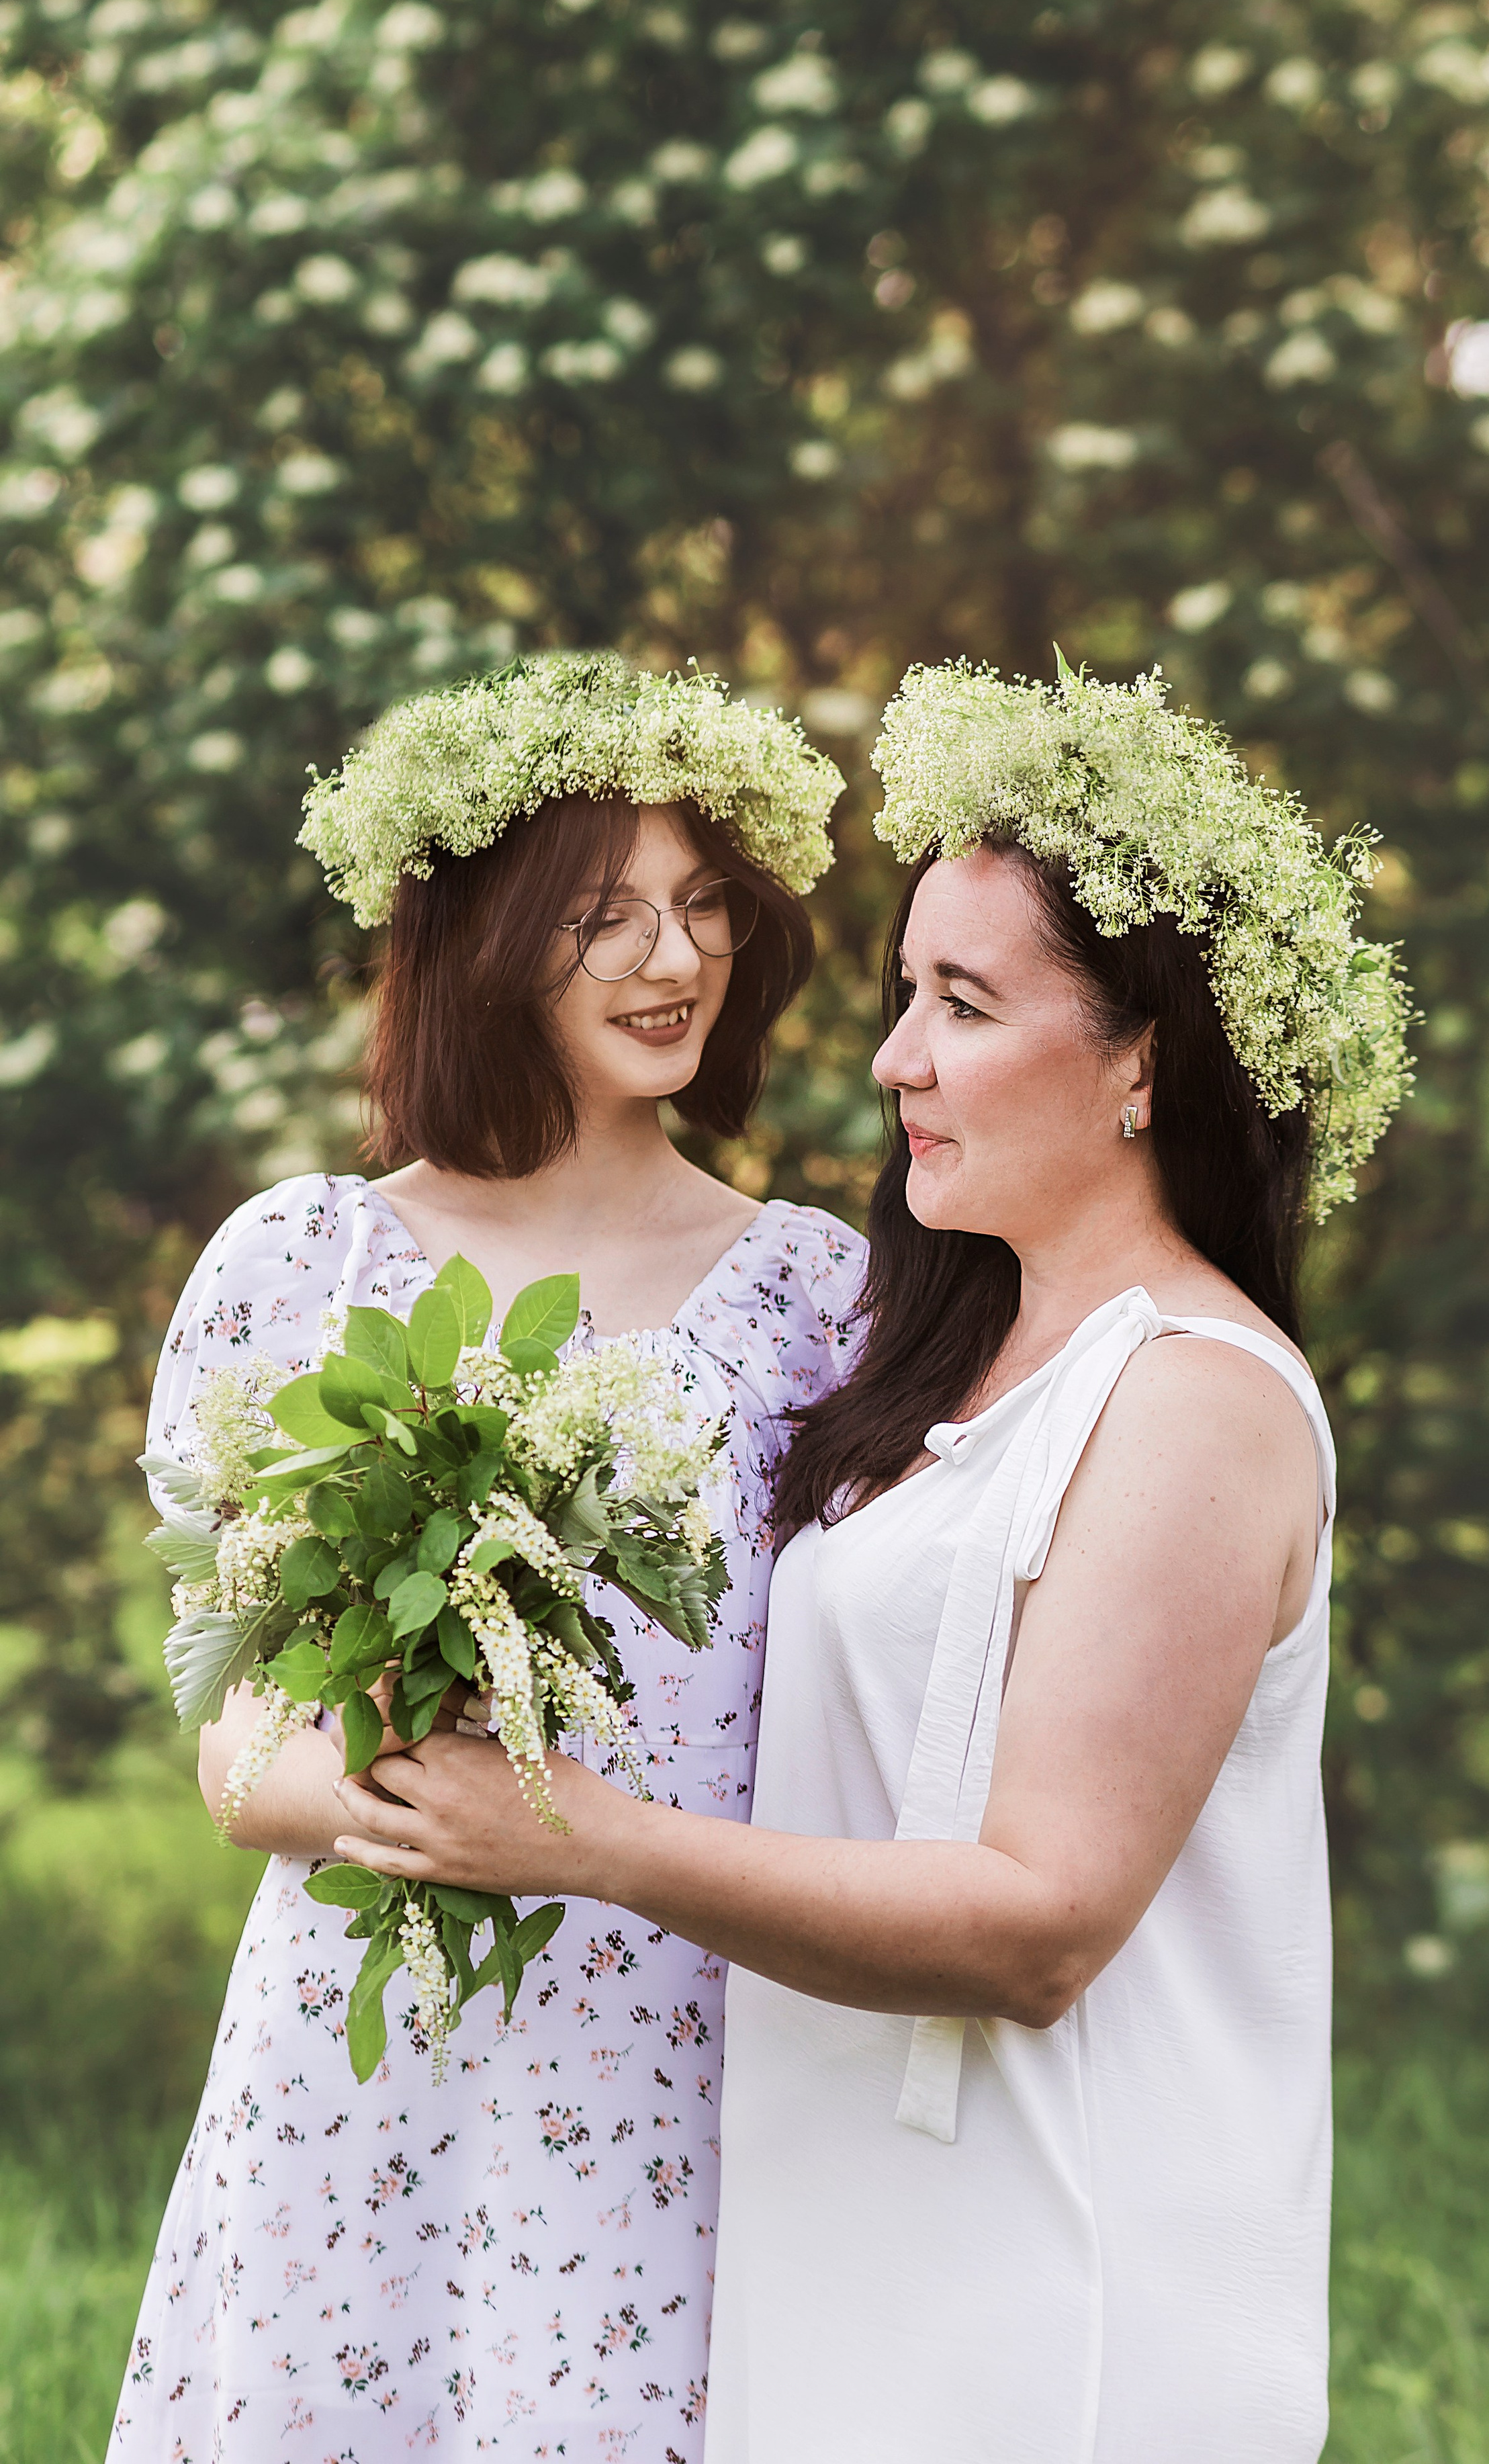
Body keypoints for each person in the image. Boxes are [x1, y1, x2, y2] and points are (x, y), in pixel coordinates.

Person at [328, 657, 1412, 2463]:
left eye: (967, 1004)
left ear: (1144, 1057)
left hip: (1059, 2296)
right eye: (908, 993)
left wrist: (569, 1837)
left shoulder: (1195, 1399)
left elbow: (1042, 1924)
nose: (897, 1054)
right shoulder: (944, 1368)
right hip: (850, 2261)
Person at [108, 652, 862, 2464]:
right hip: (358, 2048)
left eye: (700, 910)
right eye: (602, 916)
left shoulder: (826, 1299)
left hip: (674, 2049)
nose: (673, 963)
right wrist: (418, 1799)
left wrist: (589, 1840)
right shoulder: (307, 1270)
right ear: (483, 937)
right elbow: (234, 1743)